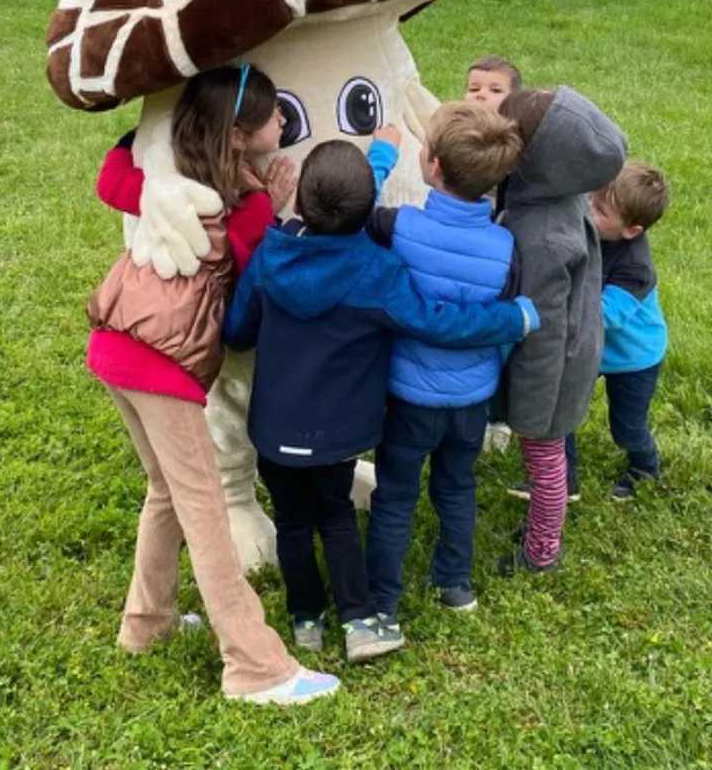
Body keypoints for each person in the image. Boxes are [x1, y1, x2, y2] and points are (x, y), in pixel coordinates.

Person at [224, 139, 538, 662]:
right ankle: (359, 620)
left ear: (299, 201)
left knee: (294, 524)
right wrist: (514, 318)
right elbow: (433, 321)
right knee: (338, 519)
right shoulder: (378, 270)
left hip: (274, 428)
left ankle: (306, 618)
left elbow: (236, 331)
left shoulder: (271, 253)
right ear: (366, 209)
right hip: (339, 433)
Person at [86, 64, 340, 706]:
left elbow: (112, 178)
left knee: (166, 491)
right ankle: (254, 666)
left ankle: (148, 623)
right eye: (275, 115)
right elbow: (259, 283)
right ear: (237, 135)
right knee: (204, 513)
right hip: (161, 364)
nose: (284, 122)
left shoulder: (172, 178)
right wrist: (277, 212)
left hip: (113, 341)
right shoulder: (249, 203)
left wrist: (148, 141)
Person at [364, 103, 524, 627]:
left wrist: (379, 157)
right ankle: (454, 582)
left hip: (408, 397)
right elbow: (498, 312)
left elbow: (348, 210)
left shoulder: (400, 226)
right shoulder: (505, 246)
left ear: (430, 164)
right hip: (472, 399)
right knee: (457, 486)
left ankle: (382, 601)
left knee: (395, 497)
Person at [496, 87, 626, 574]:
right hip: (575, 346)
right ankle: (540, 527)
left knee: (546, 457)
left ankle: (541, 550)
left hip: (557, 365)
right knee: (545, 455)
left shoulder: (544, 234)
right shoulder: (562, 195)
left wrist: (532, 408)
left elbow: (545, 331)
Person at [566, 162, 670, 501]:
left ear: (630, 231)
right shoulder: (588, 230)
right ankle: (562, 476)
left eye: (599, 209)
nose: (587, 209)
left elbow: (605, 316)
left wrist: (554, 307)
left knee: (627, 428)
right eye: (590, 199)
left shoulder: (635, 266)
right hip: (588, 349)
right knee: (559, 408)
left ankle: (645, 465)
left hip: (632, 359)